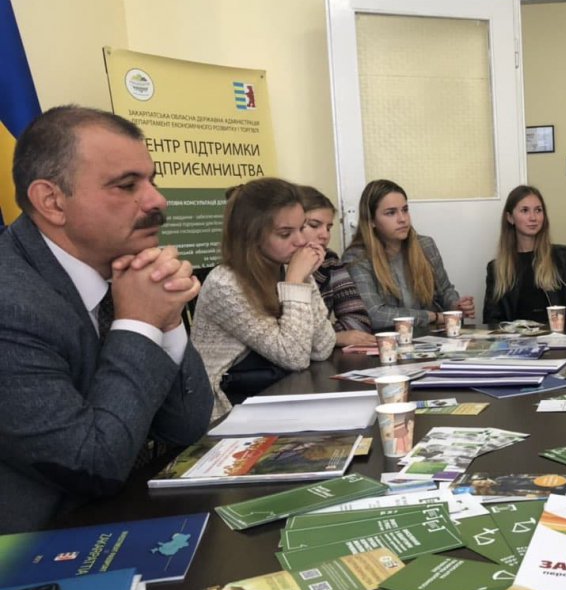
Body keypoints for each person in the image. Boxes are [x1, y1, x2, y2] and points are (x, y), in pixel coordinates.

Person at [0, 105, 213, 533]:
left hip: (127, 515)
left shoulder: (124, 268)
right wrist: (140, 323)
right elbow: (93, 465)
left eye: (152, 181)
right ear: (52, 201)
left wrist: (167, 319)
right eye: (127, 185)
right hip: (38, 547)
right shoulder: (11, 305)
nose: (157, 201)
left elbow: (186, 426)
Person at [191, 177, 335, 419]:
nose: (301, 241)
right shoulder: (225, 283)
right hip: (228, 411)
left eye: (301, 228)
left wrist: (304, 280)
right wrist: (295, 282)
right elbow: (294, 357)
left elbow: (322, 348)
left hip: (276, 395)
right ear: (251, 235)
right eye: (285, 233)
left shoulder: (285, 267)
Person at [342, 179, 475, 331]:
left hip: (432, 335)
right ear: (371, 221)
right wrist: (432, 317)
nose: (402, 219)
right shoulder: (357, 258)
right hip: (389, 339)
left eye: (405, 210)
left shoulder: (425, 245)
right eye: (391, 213)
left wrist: (456, 306)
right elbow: (375, 315)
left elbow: (445, 291)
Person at [483, 185, 566, 326]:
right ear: (510, 218)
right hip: (517, 339)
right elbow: (491, 321)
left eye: (538, 210)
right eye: (525, 210)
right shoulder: (496, 268)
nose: (533, 218)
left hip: (559, 336)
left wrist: (549, 322)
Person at [297, 185, 376, 347]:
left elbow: (358, 319)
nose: (325, 235)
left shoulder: (328, 260)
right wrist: (335, 338)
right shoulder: (274, 266)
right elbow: (286, 339)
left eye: (328, 227)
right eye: (314, 225)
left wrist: (330, 336)